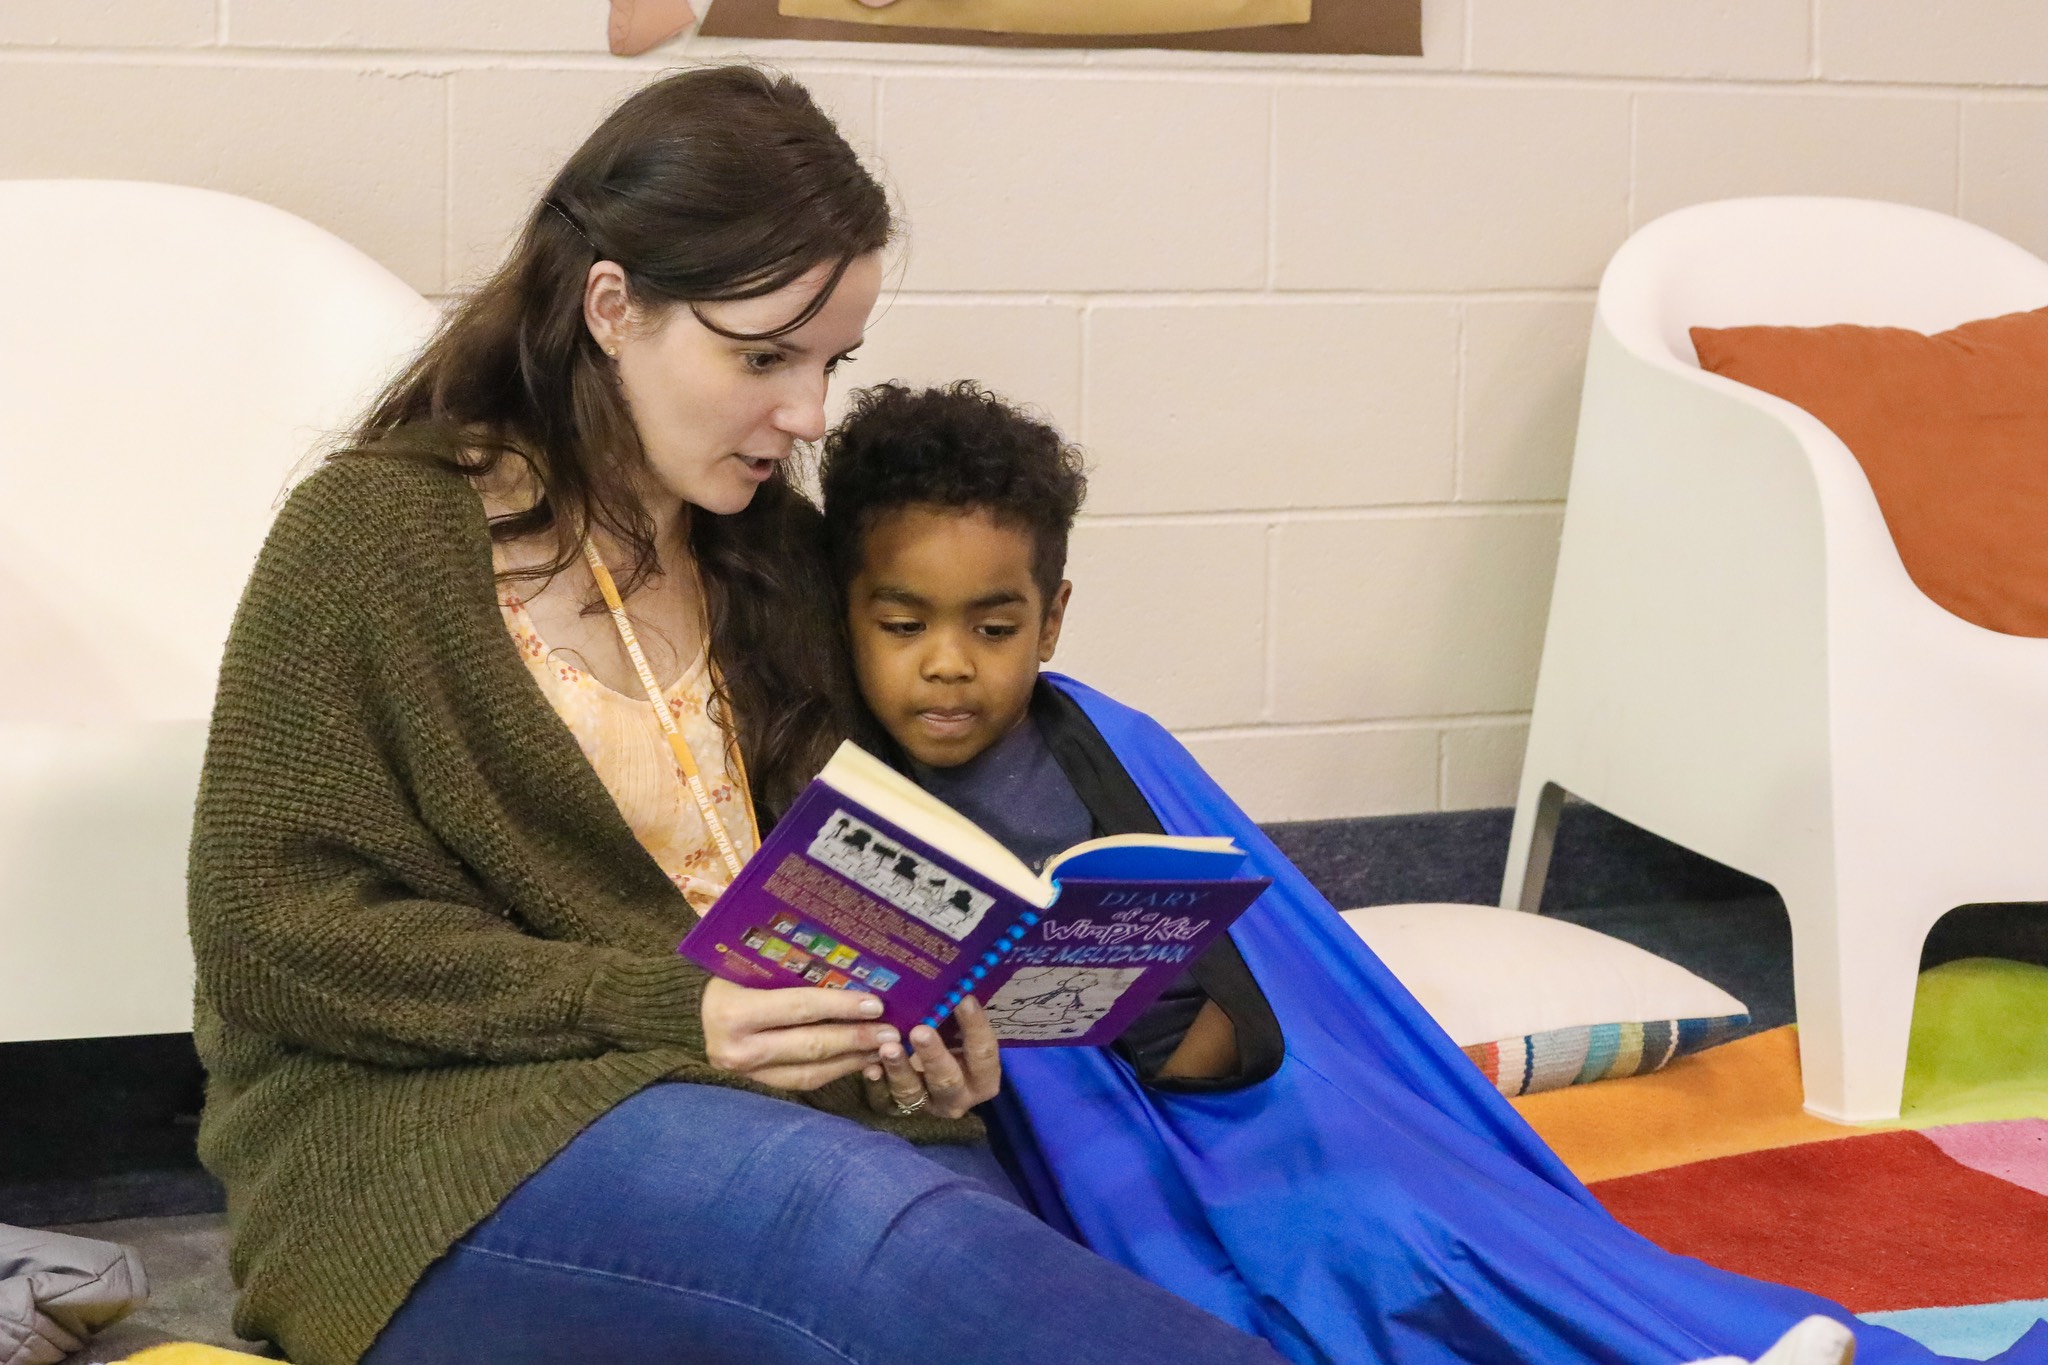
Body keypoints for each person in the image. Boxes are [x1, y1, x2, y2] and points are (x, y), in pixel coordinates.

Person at [188, 66, 1286, 1365]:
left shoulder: (772, 561)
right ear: (613, 307)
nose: (808, 414)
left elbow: (813, 924)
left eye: (833, 363)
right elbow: (278, 931)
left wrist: (911, 1040)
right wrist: (678, 1007)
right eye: (764, 355)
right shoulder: (377, 533)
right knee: (877, 1239)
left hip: (763, 1117)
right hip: (436, 1144)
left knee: (964, 1241)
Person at [813, 381, 2020, 1365]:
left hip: (1231, 1109)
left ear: (1054, 615)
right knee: (1266, 1286)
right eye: (903, 623)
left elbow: (1260, 1005)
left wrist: (1147, 1012)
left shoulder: (1107, 741)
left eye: (993, 625)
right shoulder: (832, 784)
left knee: (1402, 1227)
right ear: (846, 612)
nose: (947, 667)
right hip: (1075, 1165)